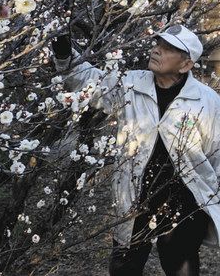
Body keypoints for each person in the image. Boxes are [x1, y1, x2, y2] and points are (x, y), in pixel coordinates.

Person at [51, 25, 220, 276]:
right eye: (158, 44)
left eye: (168, 48)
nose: (157, 50)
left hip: (185, 201)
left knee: (180, 264)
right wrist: (64, 52)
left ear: (186, 64)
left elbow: (217, 155)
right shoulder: (131, 84)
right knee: (124, 266)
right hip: (134, 197)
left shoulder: (207, 102)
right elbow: (90, 83)